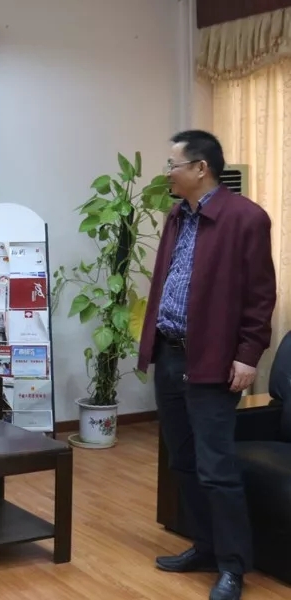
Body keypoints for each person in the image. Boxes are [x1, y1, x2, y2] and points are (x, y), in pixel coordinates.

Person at [137, 130, 276, 600]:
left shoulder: (246, 218)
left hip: (213, 359)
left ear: (201, 168)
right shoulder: (177, 215)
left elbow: (261, 296)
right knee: (183, 461)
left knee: (216, 466)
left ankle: (233, 566)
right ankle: (205, 546)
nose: (167, 173)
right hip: (170, 353)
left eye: (172, 164)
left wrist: (248, 355)